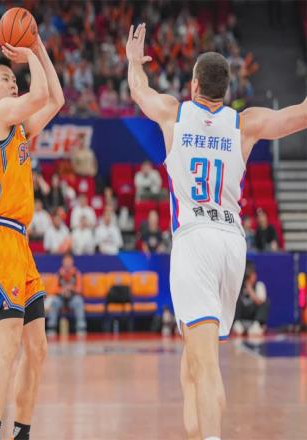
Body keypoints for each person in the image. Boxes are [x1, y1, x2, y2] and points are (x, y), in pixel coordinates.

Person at [126, 23, 306, 439]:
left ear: (193, 85)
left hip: (195, 240)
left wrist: (135, 61)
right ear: (226, 89)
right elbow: (299, 115)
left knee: (204, 366)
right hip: (231, 243)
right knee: (194, 363)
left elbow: (138, 90)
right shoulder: (245, 123)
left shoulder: (173, 112)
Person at [0, 32, 64, 440]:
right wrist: (28, 53)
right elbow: (39, 93)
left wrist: (39, 47)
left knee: (37, 348)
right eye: (5, 78)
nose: (13, 82)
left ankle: (21, 433)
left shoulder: (20, 128)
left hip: (19, 241)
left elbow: (56, 99)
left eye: (15, 78)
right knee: (8, 342)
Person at [47, 253, 87, 335]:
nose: (67, 264)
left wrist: (71, 288)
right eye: (66, 262)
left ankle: (81, 326)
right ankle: (51, 326)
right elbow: (54, 290)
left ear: (72, 263)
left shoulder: (77, 274)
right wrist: (62, 290)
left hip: (73, 298)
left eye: (69, 262)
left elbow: (79, 290)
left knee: (79, 301)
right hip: (61, 298)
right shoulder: (58, 274)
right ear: (63, 263)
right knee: (54, 301)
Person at [233, 261, 270, 336]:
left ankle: (257, 325)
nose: (253, 276)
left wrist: (250, 290)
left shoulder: (259, 285)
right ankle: (237, 324)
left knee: (266, 302)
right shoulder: (239, 286)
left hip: (254, 321)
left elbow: (260, 302)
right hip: (241, 320)